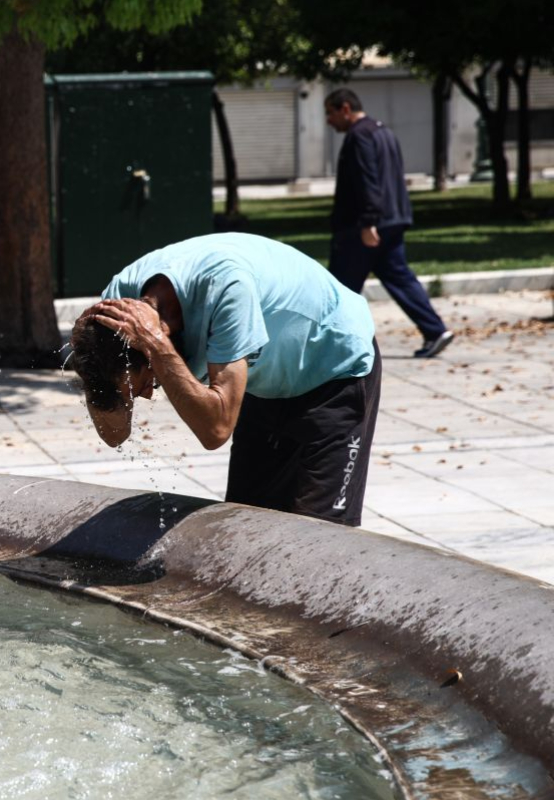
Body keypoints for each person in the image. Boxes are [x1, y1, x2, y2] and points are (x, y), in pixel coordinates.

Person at [70, 232, 381, 527]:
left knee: (319, 537)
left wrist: (157, 347)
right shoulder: (115, 311)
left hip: (335, 368)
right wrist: (92, 373)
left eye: (148, 381)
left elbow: (216, 429)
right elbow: (115, 435)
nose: (151, 394)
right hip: (266, 384)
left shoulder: (226, 289)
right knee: (247, 526)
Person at [324, 87, 453, 358]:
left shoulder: (359, 136)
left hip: (365, 227)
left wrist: (368, 221)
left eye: (331, 113)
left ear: (345, 108)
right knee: (399, 277)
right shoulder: (383, 131)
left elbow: (368, 179)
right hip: (393, 218)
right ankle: (435, 330)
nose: (329, 120)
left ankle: (328, 348)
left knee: (338, 288)